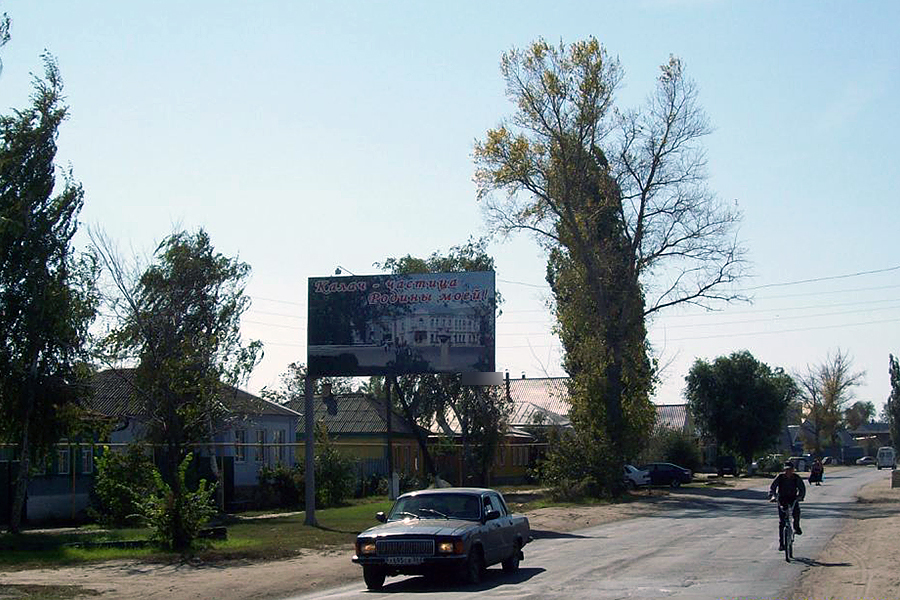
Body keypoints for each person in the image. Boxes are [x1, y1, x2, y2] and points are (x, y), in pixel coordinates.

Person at [769, 462, 806, 550]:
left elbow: (802, 489)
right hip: (782, 499)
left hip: (793, 498)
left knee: (796, 513)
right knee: (782, 522)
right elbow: (772, 488)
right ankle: (781, 544)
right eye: (786, 470)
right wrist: (773, 496)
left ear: (793, 470)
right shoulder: (780, 477)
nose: (788, 471)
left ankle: (796, 527)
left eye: (790, 469)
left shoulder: (796, 478)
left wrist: (801, 496)